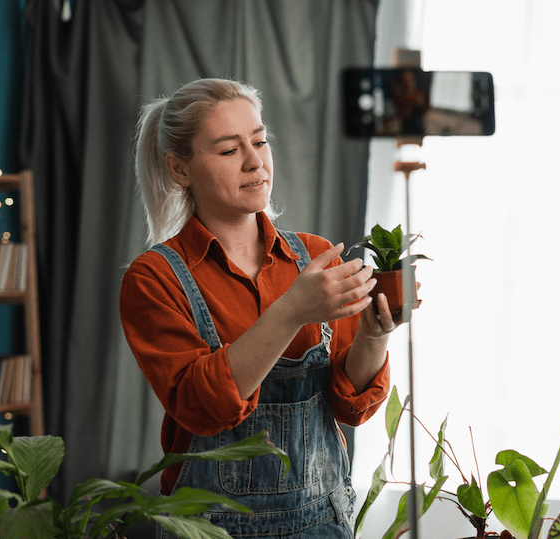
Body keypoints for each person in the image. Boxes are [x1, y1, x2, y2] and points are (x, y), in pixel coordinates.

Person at [119, 78, 398, 538]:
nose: (255, 162)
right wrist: (291, 311)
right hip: (209, 527)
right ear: (180, 168)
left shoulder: (313, 256)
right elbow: (201, 408)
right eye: (229, 151)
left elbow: (351, 407)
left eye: (260, 141)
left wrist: (374, 335)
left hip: (322, 523)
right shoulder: (154, 278)